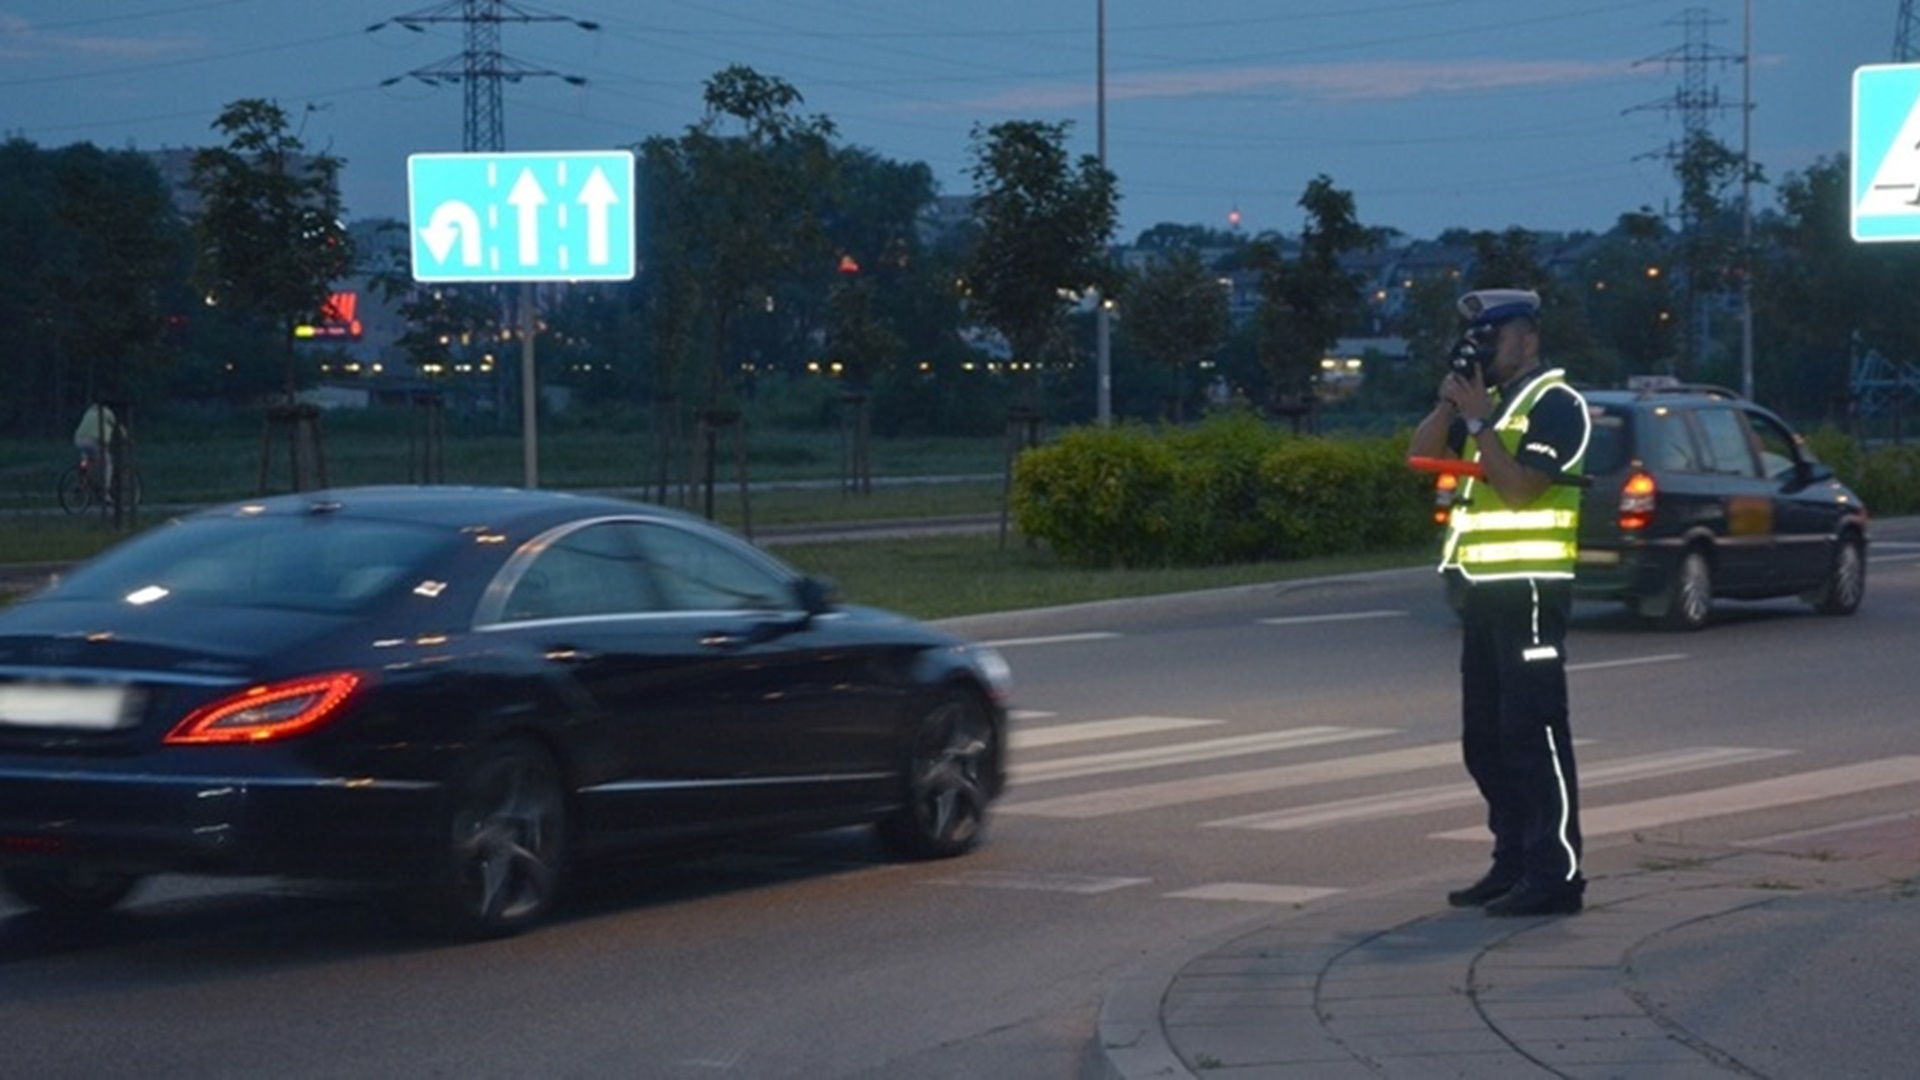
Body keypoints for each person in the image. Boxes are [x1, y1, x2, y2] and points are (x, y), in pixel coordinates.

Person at [1408, 288, 1592, 918]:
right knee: (1483, 739)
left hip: (1534, 590)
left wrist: (1482, 422)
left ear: (1529, 338)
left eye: (1497, 335)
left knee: (1533, 732)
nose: (1487, 346)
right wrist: (1450, 399)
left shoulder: (1558, 405)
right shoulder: (1491, 404)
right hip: (1483, 593)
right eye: (1478, 337)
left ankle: (1556, 874)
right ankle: (1512, 860)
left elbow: (1518, 491)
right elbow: (1420, 455)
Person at [73, 401, 123, 494]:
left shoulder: (90, 411)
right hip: (93, 441)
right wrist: (125, 435)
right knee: (107, 462)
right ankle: (106, 491)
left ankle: (82, 481)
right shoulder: (107, 412)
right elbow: (116, 425)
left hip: (79, 439)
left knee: (86, 459)